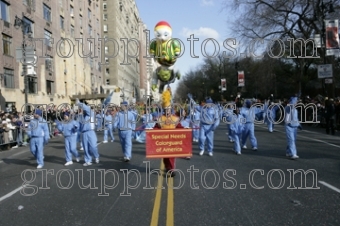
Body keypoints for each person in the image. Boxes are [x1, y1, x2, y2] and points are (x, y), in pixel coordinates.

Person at [157, 88, 181, 177]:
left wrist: (186, 129)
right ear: (164, 110)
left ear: (171, 109)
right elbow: (156, 128)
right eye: (166, 109)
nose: (167, 111)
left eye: (169, 109)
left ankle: (171, 169)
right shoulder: (160, 118)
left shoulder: (175, 118)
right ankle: (168, 167)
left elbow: (179, 127)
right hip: (163, 140)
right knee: (165, 157)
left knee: (171, 156)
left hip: (172, 140)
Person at [77, 99, 100, 166]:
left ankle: (96, 156)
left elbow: (86, 108)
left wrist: (80, 103)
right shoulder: (81, 116)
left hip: (90, 132)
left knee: (93, 146)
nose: (81, 110)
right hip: (84, 133)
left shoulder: (90, 113)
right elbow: (79, 125)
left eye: (82, 108)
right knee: (86, 148)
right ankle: (88, 160)